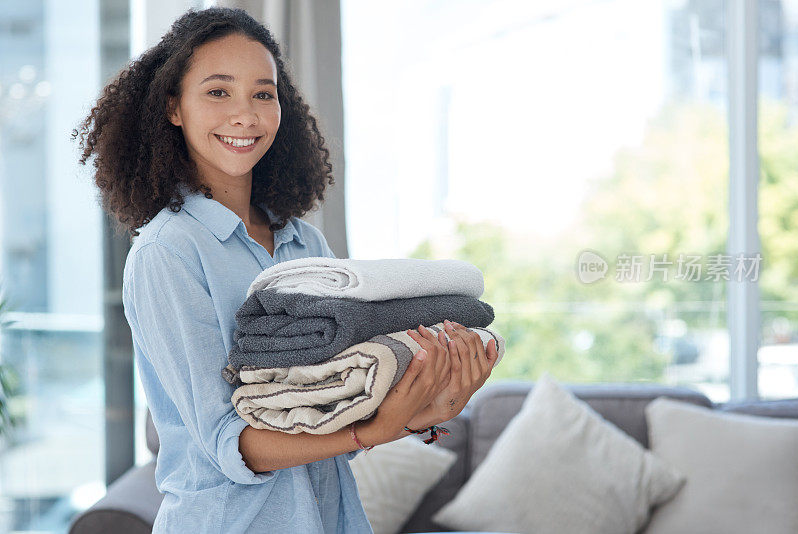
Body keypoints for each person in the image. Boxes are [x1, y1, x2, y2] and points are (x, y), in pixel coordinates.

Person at [71, 6, 499, 533]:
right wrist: (374, 431)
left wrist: (421, 412)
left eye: (263, 93)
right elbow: (232, 445)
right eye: (218, 91)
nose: (245, 115)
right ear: (174, 107)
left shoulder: (304, 243)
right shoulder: (168, 251)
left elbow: (323, 407)